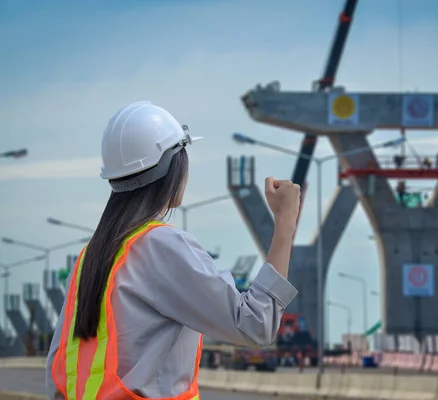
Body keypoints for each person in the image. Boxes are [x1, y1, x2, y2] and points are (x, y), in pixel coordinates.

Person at [45, 101, 300, 399]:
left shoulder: (89, 258)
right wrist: (285, 222)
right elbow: (256, 324)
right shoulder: (159, 246)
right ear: (173, 168)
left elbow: (59, 370)